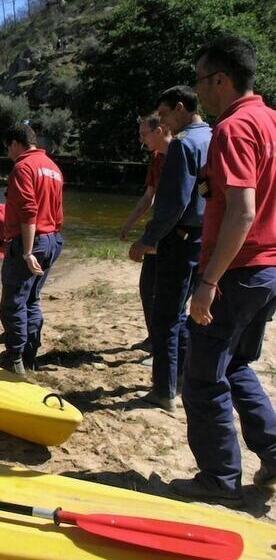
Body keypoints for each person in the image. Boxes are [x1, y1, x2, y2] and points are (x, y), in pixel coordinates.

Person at [168, 36, 276, 506]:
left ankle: (218, 480)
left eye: (200, 81)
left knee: (203, 376)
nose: (198, 91)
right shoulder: (271, 121)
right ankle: (273, 453)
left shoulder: (233, 129)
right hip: (266, 270)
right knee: (234, 363)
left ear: (220, 80)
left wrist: (208, 281)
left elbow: (242, 211)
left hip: (236, 271)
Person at [128, 86, 212, 411]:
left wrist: (147, 239)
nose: (162, 123)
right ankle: (181, 381)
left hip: (179, 239)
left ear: (180, 108)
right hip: (203, 237)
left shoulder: (183, 144)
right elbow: (208, 191)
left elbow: (174, 202)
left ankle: (164, 391)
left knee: (165, 316)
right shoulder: (213, 137)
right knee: (183, 313)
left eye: (163, 115)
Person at [0, 123, 64, 375]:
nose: (8, 154)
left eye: (8, 148)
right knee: (32, 299)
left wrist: (26, 251)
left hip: (31, 241)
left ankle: (14, 360)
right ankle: (29, 355)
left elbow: (28, 212)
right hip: (52, 239)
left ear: (16, 143)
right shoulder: (53, 168)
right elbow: (57, 213)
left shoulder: (23, 167)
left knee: (13, 302)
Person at [119, 113, 173, 350]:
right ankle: (154, 338)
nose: (141, 140)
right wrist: (129, 224)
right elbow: (148, 197)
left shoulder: (181, 155)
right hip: (157, 232)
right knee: (147, 287)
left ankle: (163, 344)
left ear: (159, 130)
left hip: (174, 234)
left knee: (164, 293)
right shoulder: (156, 158)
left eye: (144, 134)